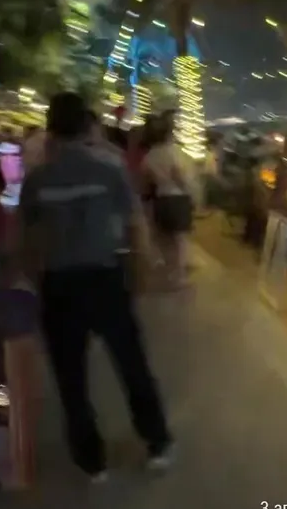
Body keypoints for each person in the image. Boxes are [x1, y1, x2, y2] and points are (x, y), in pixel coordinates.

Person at [17, 92, 173, 483]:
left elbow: (25, 240)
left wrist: (36, 281)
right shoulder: (108, 170)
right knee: (132, 364)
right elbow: (136, 226)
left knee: (71, 377)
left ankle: (92, 461)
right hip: (106, 278)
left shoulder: (37, 180)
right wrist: (141, 273)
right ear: (88, 127)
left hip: (59, 285)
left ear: (51, 130)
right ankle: (157, 442)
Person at [142, 115, 195, 289]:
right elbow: (178, 174)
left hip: (161, 198)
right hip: (178, 198)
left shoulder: (150, 155)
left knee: (165, 238)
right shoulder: (173, 151)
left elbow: (146, 179)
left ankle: (170, 269)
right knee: (180, 240)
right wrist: (190, 192)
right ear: (169, 134)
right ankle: (179, 276)